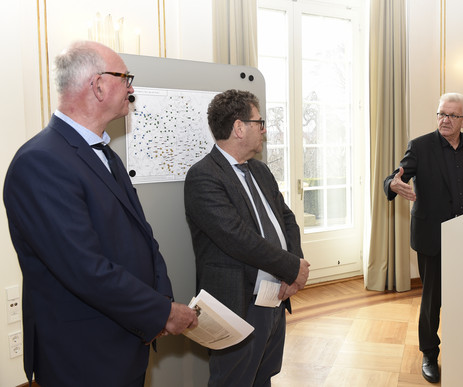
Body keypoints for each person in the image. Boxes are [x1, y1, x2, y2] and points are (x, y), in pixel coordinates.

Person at [3, 41, 198, 387]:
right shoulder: (40, 161)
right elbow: (84, 269)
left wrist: (161, 300)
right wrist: (162, 313)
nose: (131, 87)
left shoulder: (104, 153)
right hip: (83, 354)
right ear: (98, 85)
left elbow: (143, 235)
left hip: (126, 338)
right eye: (126, 78)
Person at [184, 89, 310, 386]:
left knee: (263, 375)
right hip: (239, 303)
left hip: (275, 297)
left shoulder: (261, 171)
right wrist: (291, 268)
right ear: (239, 128)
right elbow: (236, 237)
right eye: (259, 122)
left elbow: (287, 219)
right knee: (234, 380)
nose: (264, 129)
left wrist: (294, 264)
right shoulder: (203, 176)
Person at [383, 92, 463, 383]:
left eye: (452, 115)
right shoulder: (420, 146)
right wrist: (393, 183)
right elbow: (396, 175)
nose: (444, 120)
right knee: (432, 299)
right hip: (433, 235)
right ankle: (429, 353)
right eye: (441, 113)